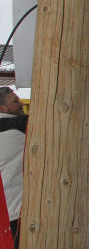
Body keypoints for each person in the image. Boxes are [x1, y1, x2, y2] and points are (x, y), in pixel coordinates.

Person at [0, 88, 26, 249]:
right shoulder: (18, 126)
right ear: (2, 108)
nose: (21, 103)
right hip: (13, 211)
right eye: (15, 101)